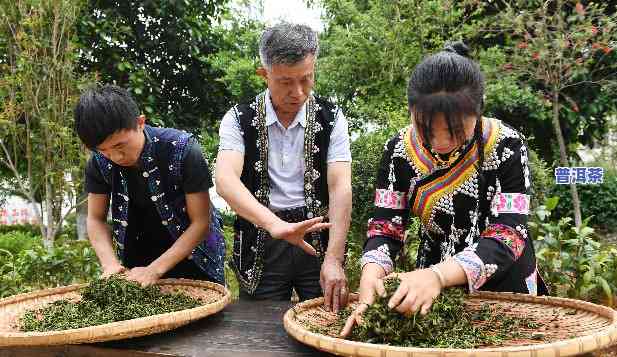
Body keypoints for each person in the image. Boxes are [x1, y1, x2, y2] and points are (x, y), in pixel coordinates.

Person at [342, 42, 547, 336]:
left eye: (455, 131)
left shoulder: (507, 145)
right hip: (428, 287)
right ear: (410, 110)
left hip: (503, 283)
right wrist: (370, 279)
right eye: (425, 130)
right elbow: (385, 227)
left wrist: (439, 275)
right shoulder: (398, 151)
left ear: (478, 111)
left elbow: (510, 232)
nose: (440, 143)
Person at [215, 22, 352, 311]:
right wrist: (276, 226)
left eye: (306, 79)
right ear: (264, 74)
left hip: (319, 237)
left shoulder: (333, 118)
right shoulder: (238, 119)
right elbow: (225, 180)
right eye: (285, 82)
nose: (298, 92)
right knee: (260, 327)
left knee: (325, 319)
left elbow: (340, 186)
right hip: (261, 238)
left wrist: (334, 258)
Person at [75, 84, 225, 286]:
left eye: (121, 145)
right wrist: (110, 265)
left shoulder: (184, 150)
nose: (116, 157)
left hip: (195, 258)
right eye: (105, 150)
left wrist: (155, 270)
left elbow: (201, 222)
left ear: (140, 123)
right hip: (138, 263)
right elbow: (95, 218)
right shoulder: (98, 162)